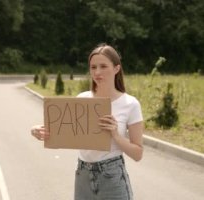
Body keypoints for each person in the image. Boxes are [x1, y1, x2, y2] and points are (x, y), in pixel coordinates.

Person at [31, 43, 143, 200]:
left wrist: (116, 135)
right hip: (82, 175)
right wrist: (39, 131)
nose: (97, 72)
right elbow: (64, 135)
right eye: (93, 67)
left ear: (116, 69)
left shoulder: (130, 104)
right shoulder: (82, 99)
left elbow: (138, 154)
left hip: (112, 176)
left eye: (103, 66)